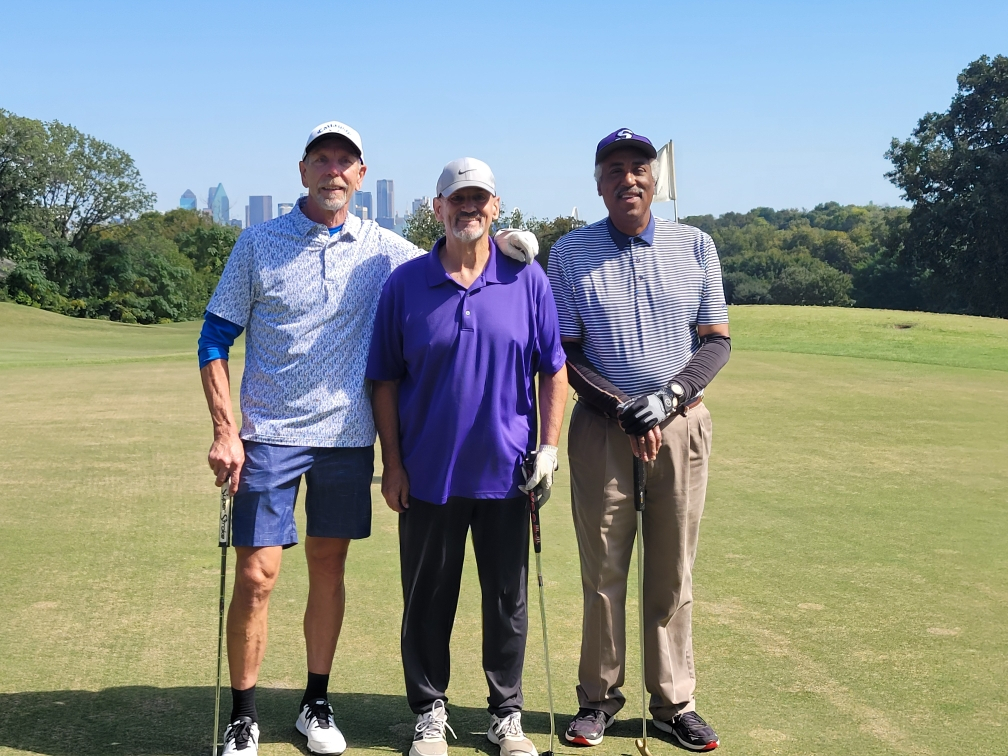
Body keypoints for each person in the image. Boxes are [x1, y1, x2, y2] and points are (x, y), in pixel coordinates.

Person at [199, 124, 538, 756]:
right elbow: (214, 338)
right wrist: (225, 430)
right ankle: (244, 715)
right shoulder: (257, 244)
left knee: (329, 568)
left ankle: (314, 704)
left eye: (345, 162)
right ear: (303, 171)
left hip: (348, 438)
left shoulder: (387, 250)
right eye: (321, 160)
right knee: (258, 574)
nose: (333, 171)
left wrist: (512, 244)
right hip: (268, 434)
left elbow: (458, 259)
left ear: (360, 175)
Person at [366, 157, 568, 756]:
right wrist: (394, 464)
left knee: (507, 601)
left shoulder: (525, 277)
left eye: (480, 199)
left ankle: (506, 714)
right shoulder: (404, 284)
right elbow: (384, 381)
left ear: (496, 208)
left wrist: (550, 448)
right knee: (428, 599)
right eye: (457, 199)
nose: (469, 208)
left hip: (508, 475)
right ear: (438, 208)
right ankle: (430, 710)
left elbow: (553, 369)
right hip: (428, 475)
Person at [546, 129, 731, 752]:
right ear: (598, 183)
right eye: (614, 169)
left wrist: (667, 400)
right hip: (603, 428)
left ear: (655, 178)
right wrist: (626, 409)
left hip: (681, 425)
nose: (628, 179)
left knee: (673, 569)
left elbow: (714, 341)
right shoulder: (568, 253)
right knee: (603, 570)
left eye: (639, 168)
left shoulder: (697, 243)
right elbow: (565, 354)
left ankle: (673, 702)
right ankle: (597, 699)